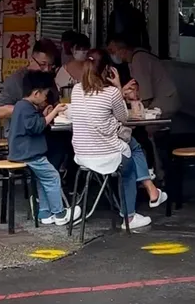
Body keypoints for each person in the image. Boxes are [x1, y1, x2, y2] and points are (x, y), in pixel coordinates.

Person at [70, 50, 167, 230]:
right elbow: (123, 117)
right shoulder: (111, 93)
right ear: (107, 69)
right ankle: (130, 216)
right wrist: (117, 86)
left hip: (82, 156)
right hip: (107, 156)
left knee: (132, 144)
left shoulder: (76, 90)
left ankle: (152, 190)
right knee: (130, 160)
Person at [8, 70, 80, 226]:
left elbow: (33, 123)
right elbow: (36, 127)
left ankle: (45, 213)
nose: (46, 97)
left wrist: (44, 114)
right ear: (36, 93)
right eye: (45, 94)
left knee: (42, 180)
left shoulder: (22, 106)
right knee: (53, 176)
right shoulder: (26, 107)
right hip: (30, 154)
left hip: (24, 152)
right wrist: (54, 112)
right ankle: (60, 213)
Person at [107, 37, 180, 118]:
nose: (111, 55)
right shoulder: (133, 59)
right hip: (164, 99)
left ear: (123, 50)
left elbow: (146, 95)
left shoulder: (139, 59)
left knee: (148, 126)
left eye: (112, 51)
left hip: (165, 102)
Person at [0, 39, 60, 130]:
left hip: (46, 131)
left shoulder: (48, 78)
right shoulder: (14, 81)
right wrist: (30, 109)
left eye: (50, 66)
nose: (46, 69)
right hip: (21, 134)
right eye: (43, 64)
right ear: (31, 60)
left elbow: (55, 101)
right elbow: (0, 111)